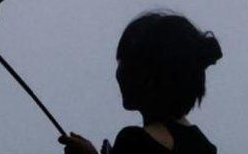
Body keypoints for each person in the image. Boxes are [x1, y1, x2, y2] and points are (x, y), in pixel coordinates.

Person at [59, 10, 223, 154]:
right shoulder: (205, 147)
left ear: (146, 75)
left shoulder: (133, 142)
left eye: (123, 63)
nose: (118, 73)